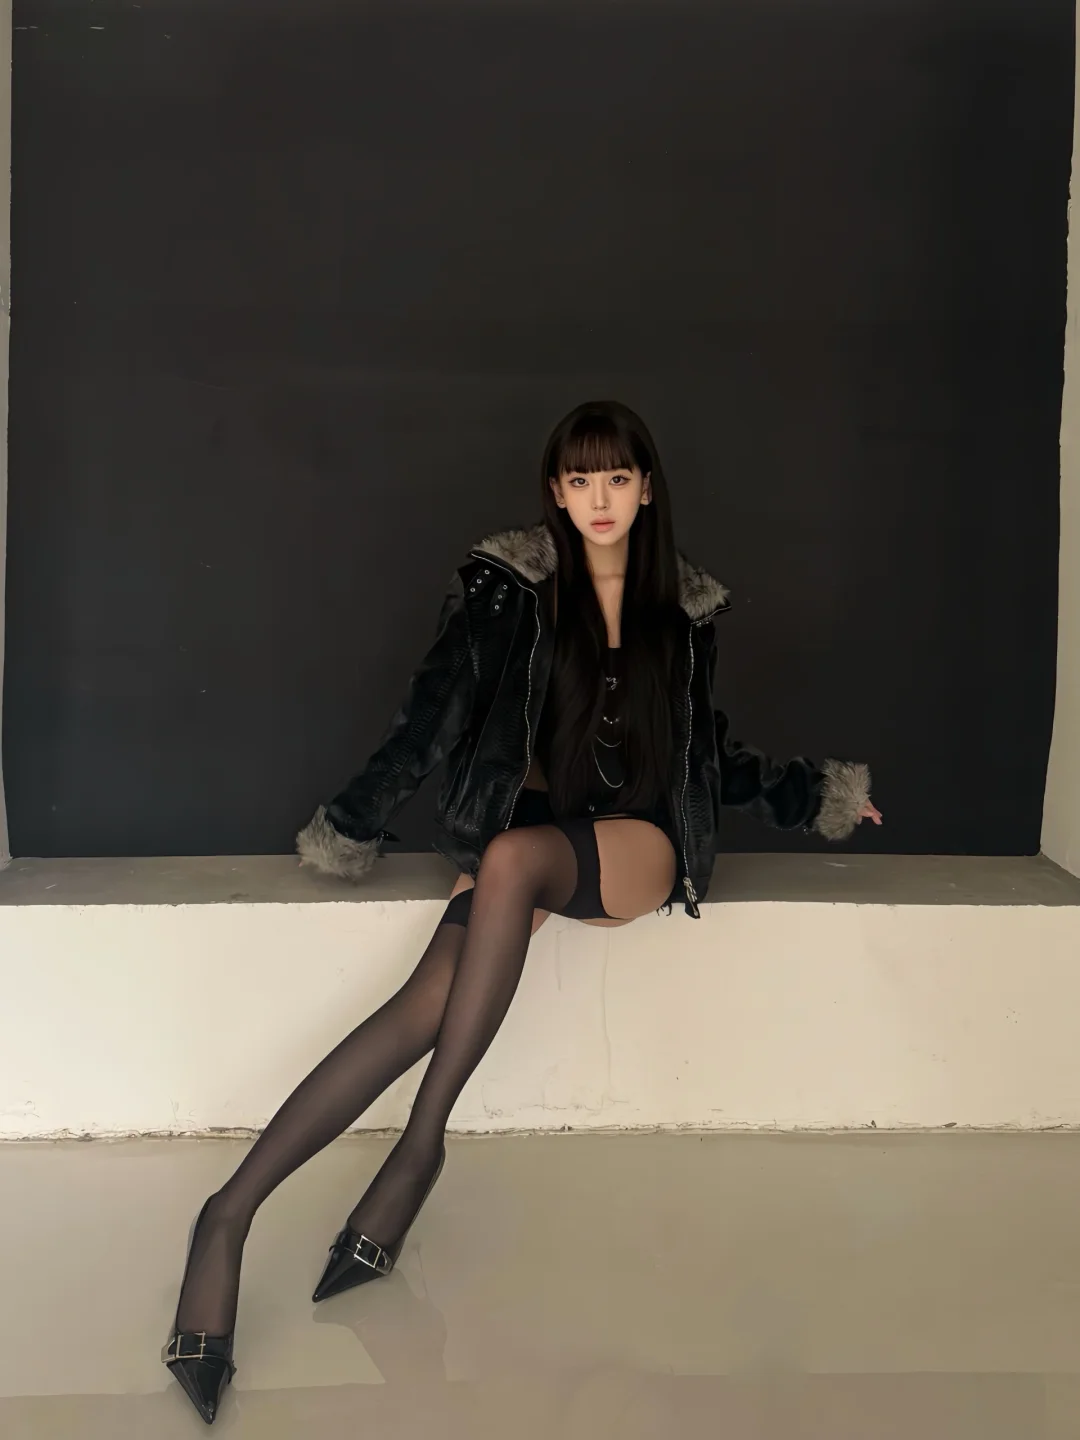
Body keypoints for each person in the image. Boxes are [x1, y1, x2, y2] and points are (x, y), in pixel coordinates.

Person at [162, 400, 882, 1423]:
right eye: (580, 480)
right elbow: (428, 724)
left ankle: (419, 1147)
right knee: (421, 1004)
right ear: (556, 493)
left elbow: (708, 755)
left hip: (630, 844)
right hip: (531, 841)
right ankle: (227, 1215)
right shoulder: (505, 594)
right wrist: (353, 823)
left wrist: (816, 796)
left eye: (618, 477)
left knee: (506, 861)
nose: (600, 498)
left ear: (646, 488)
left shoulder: (682, 614)